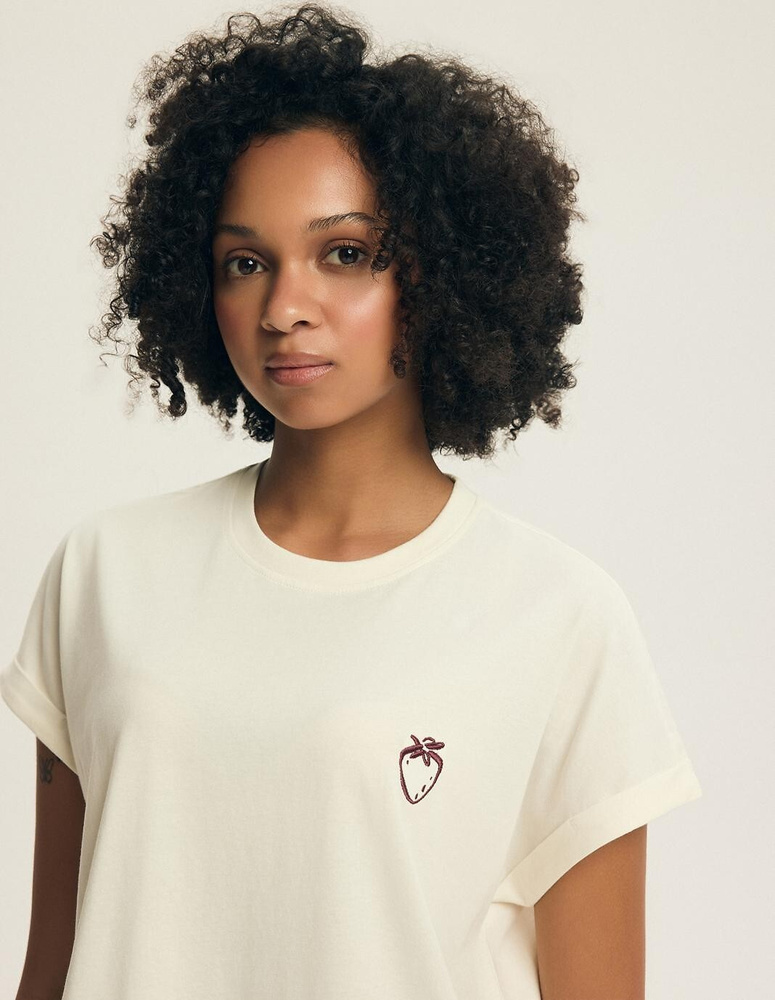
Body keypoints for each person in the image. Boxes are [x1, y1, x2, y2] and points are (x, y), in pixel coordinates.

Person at [1, 5, 703, 999]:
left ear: (441, 274)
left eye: (344, 253)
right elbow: (53, 965)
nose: (285, 307)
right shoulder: (104, 573)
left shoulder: (556, 615)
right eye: (246, 262)